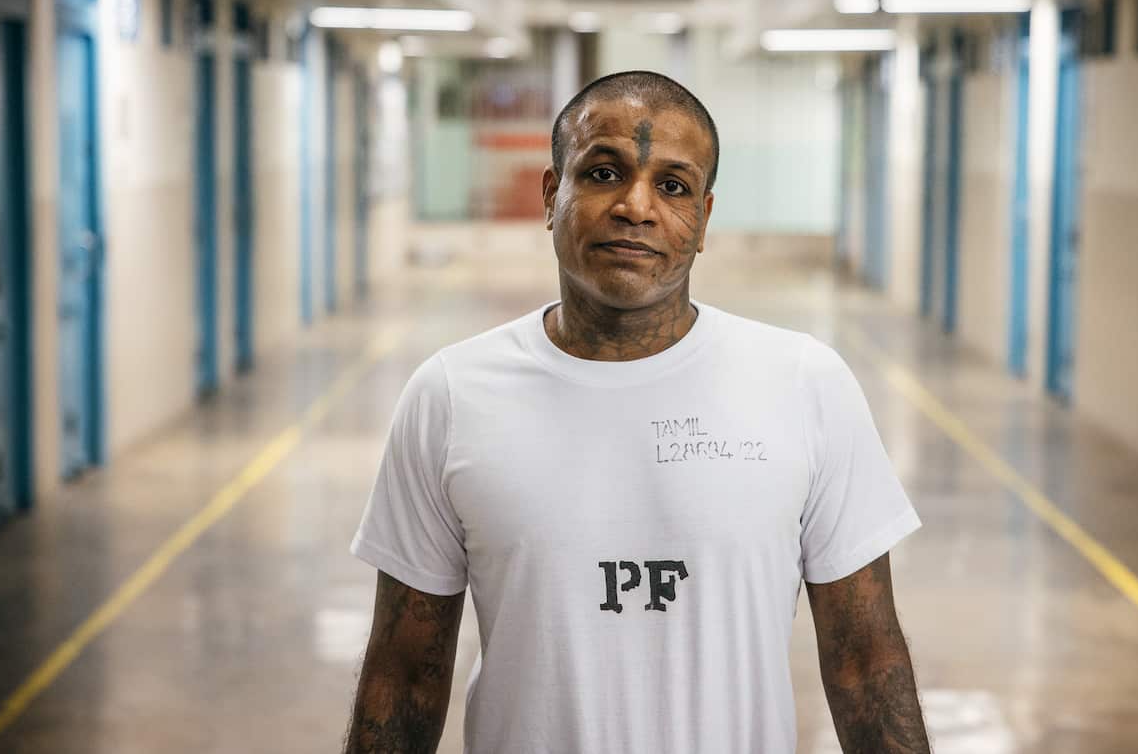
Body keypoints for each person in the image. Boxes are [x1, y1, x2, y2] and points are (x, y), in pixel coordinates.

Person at [343, 70, 929, 753]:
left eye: (673, 186)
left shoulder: (804, 385)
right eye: (601, 173)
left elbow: (866, 661)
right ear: (550, 194)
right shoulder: (450, 395)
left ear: (704, 221)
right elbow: (406, 673)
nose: (636, 207)